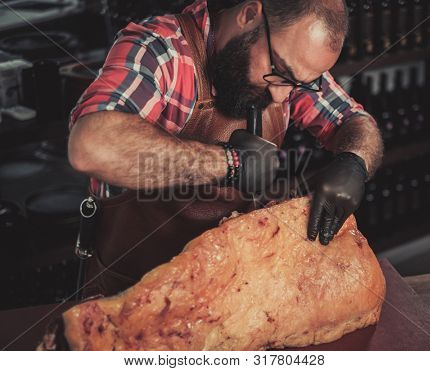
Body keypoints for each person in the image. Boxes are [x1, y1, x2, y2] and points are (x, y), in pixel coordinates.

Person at [68, 0, 383, 296]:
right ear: (249, 15)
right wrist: (230, 164)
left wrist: (354, 161)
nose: (280, 95)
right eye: (281, 73)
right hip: (132, 297)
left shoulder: (291, 65)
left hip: (232, 293)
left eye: (297, 84)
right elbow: (92, 145)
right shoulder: (160, 50)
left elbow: (355, 120)